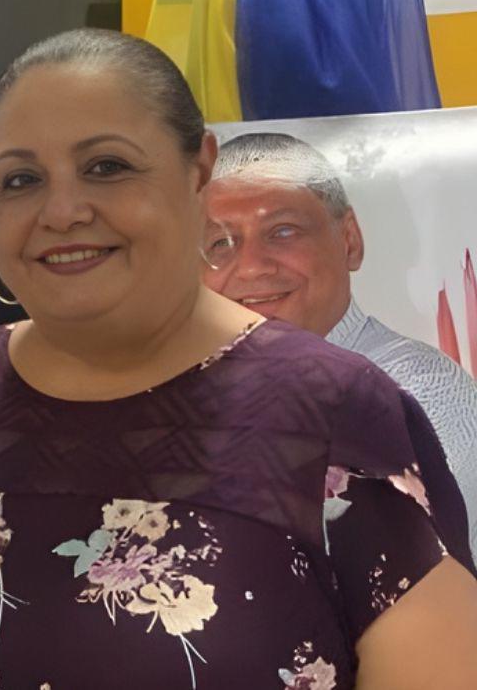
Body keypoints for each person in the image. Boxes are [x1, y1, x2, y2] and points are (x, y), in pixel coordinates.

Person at [0, 29, 477, 690]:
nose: (63, 211)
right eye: (21, 180)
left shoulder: (334, 408)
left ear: (199, 172)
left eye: (107, 167)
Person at [201, 131, 477, 557]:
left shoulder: (415, 392)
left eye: (283, 231)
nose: (251, 266)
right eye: (220, 242)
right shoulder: (187, 398)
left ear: (349, 239)